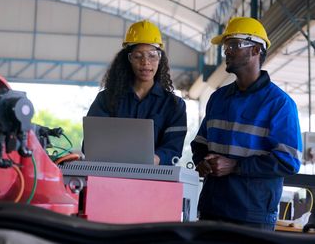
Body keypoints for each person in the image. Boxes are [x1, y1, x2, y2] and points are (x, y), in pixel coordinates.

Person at [191, 17, 302, 230]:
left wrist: (235, 166)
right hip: (211, 208)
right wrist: (203, 162)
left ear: (256, 50)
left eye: (234, 45)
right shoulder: (218, 98)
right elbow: (200, 143)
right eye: (226, 46)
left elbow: (288, 161)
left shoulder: (279, 104)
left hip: (252, 215)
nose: (227, 52)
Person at [87, 19, 187, 165]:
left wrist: (154, 159)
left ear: (160, 58)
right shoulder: (106, 99)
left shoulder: (174, 105)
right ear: (128, 59)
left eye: (152, 55)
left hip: (153, 180)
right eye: (138, 56)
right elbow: (90, 145)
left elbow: (173, 149)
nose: (145, 62)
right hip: (111, 178)